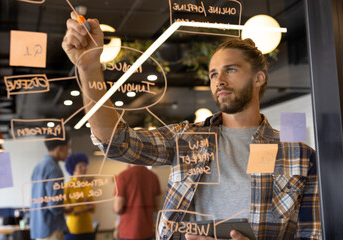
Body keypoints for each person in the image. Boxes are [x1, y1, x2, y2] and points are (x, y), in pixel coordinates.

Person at [62, 13, 321, 240]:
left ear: (259, 78)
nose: (219, 80)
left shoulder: (297, 155)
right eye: (213, 74)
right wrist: (88, 68)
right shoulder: (186, 138)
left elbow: (313, 233)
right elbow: (116, 142)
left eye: (230, 70)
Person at [30, 134, 71, 240]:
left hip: (38, 229)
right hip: (52, 229)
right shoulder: (54, 169)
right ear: (59, 149)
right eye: (67, 149)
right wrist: (66, 209)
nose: (68, 153)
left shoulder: (38, 167)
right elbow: (54, 205)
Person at [113, 164, 161, 240]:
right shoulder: (153, 176)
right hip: (147, 230)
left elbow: (118, 208)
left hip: (128, 231)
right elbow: (157, 206)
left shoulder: (123, 176)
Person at [64, 152, 95, 240]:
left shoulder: (87, 185)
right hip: (73, 229)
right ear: (73, 168)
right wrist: (85, 207)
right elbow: (66, 211)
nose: (84, 168)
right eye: (80, 166)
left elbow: (93, 208)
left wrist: (86, 207)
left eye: (85, 166)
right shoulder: (67, 186)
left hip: (88, 228)